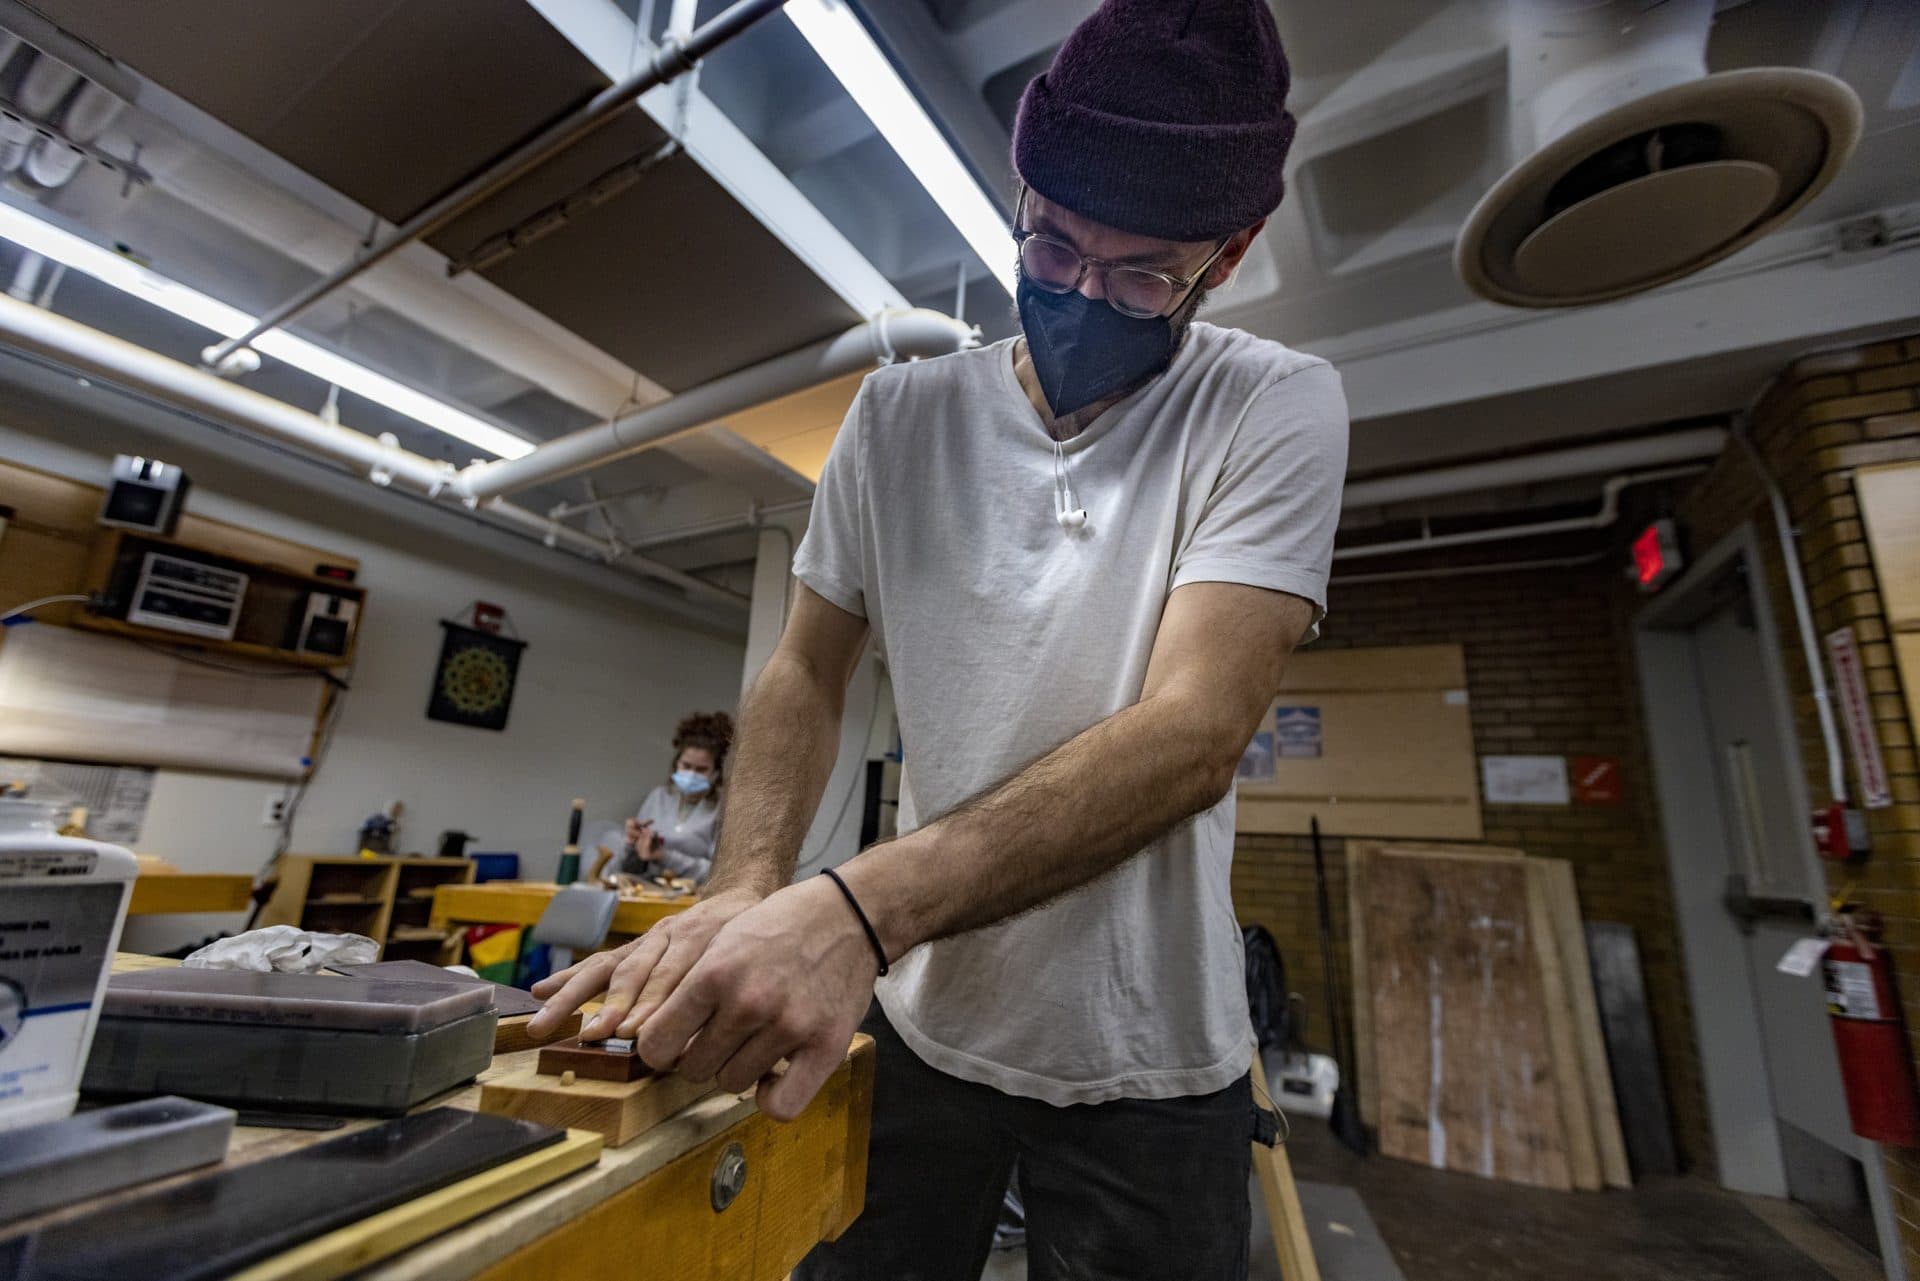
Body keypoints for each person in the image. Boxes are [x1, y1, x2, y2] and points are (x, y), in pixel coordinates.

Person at [530, 2, 1346, 1276]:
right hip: (914, 1023)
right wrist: (749, 882)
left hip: (1150, 1058)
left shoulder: (1272, 404)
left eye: (1144, 274)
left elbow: (1196, 732)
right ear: (1022, 192)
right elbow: (806, 666)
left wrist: (852, 909)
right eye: (1056, 246)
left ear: (1226, 256)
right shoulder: (901, 416)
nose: (1084, 294)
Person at [589, 711, 731, 886]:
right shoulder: (659, 798)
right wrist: (632, 844)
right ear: (676, 763)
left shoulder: (723, 809)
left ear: (716, 773)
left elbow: (721, 875)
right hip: (649, 891)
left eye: (701, 769)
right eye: (686, 766)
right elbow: (630, 868)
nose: (691, 774)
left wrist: (664, 856)